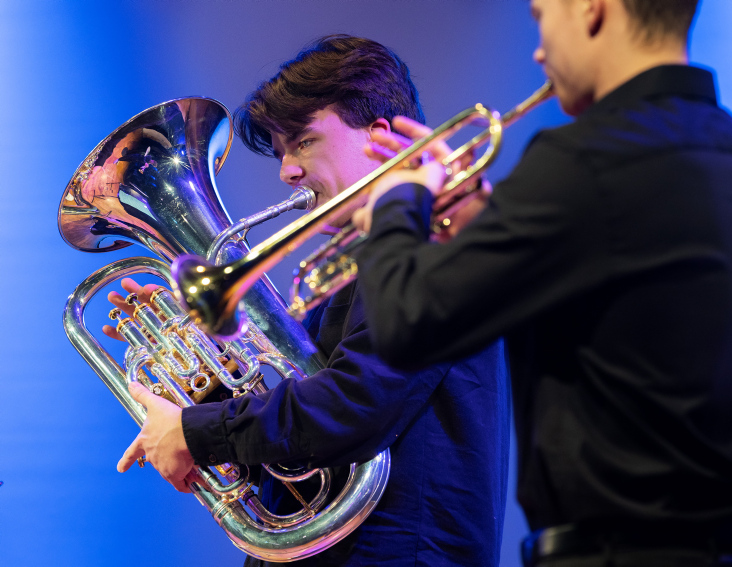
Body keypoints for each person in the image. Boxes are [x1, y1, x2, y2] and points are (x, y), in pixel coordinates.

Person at [352, 1, 732, 566]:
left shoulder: (582, 160)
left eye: (541, 16)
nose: (538, 49)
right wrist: (486, 223)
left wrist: (396, 207)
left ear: (591, 9)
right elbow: (627, 306)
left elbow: (403, 326)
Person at [108, 35, 510, 567]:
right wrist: (204, 392)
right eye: (280, 152)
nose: (287, 171)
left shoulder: (434, 247)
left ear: (379, 137)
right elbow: (304, 468)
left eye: (303, 141)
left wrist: (196, 432)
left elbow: (353, 407)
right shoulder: (344, 276)